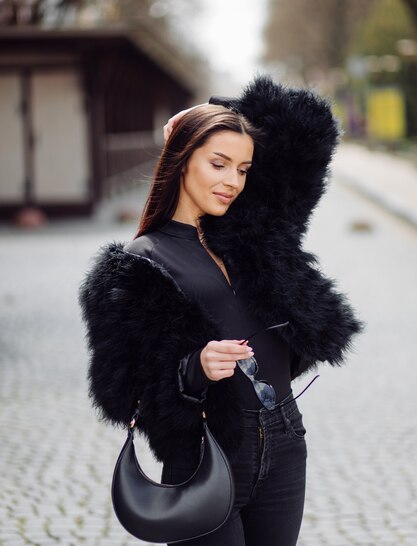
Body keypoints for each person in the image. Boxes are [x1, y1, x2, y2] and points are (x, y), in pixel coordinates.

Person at [78, 74, 365, 546]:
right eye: (218, 163)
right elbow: (120, 393)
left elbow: (311, 129)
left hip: (285, 438)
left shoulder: (252, 232)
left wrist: (217, 110)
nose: (232, 181)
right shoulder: (139, 262)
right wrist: (196, 368)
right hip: (208, 452)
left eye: (244, 169)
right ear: (182, 159)